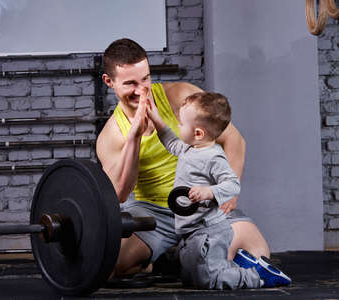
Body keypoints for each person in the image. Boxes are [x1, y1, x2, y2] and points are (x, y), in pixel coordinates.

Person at [96, 38, 269, 279]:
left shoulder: (181, 97)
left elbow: (235, 140)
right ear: (109, 82)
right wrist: (134, 137)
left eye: (145, 78)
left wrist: (227, 192)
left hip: (202, 205)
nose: (140, 90)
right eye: (130, 83)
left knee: (258, 256)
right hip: (153, 211)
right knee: (114, 267)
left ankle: (182, 255)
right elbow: (120, 194)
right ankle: (173, 258)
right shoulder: (110, 136)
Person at [145, 91, 291, 289]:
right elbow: (171, 142)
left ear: (198, 133)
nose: (177, 126)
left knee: (209, 280)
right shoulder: (190, 148)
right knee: (191, 278)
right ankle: (241, 264)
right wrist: (156, 119)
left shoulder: (214, 157)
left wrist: (209, 192)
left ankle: (259, 276)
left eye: (180, 124)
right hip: (190, 229)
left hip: (209, 232)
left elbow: (232, 184)